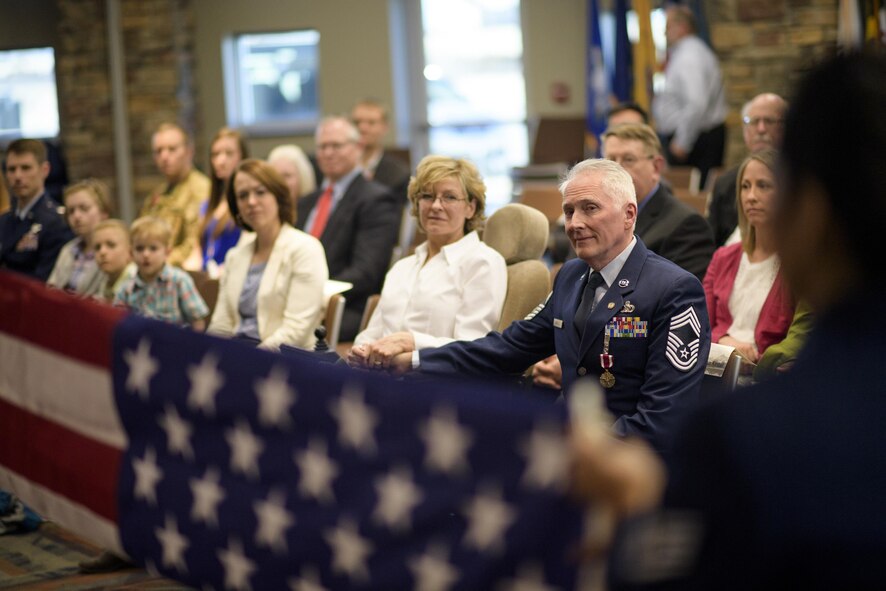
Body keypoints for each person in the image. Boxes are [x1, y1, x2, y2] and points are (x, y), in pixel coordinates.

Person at [597, 52, 886, 590]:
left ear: (810, 214)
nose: (756, 202)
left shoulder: (742, 439)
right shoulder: (727, 259)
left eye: (774, 190)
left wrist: (640, 506)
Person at [391, 158, 710, 457]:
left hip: (631, 463)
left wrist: (578, 453)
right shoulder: (571, 275)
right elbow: (506, 348)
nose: (575, 224)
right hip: (571, 447)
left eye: (590, 209)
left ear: (629, 214)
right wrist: (416, 361)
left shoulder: (673, 290)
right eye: (569, 212)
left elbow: (662, 417)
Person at [348, 155, 507, 367]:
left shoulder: (483, 263)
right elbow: (374, 332)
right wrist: (362, 350)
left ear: (471, 207)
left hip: (435, 383)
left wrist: (412, 343)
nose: (436, 206)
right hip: (378, 376)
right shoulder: (402, 267)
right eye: (427, 196)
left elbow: (473, 347)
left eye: (449, 197)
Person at [295, 116, 400, 342]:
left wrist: (310, 293)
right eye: (323, 146)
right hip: (298, 302)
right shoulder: (305, 203)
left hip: (345, 307)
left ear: (357, 148)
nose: (329, 153)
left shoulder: (376, 199)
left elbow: (365, 273)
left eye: (336, 146)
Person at [208, 159, 328, 351]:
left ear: (278, 197)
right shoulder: (234, 257)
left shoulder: (305, 249)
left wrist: (249, 362)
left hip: (284, 362)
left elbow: (295, 332)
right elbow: (220, 325)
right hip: (238, 356)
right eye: (242, 195)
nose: (251, 202)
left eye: (260, 192)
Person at [703, 149, 794, 365]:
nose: (751, 197)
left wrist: (758, 359)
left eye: (763, 185)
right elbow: (699, 324)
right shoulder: (723, 257)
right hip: (716, 366)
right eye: (745, 186)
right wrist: (724, 341)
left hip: (767, 376)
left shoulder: (798, 265)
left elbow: (799, 337)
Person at [602, 123, 714, 281]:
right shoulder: (596, 215)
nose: (617, 169)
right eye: (611, 160)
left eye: (628, 160)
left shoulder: (687, 226)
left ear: (656, 167)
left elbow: (679, 294)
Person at [652, 5, 727, 186]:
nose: (664, 32)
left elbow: (696, 103)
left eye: (668, 26)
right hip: (696, 138)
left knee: (693, 196)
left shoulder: (689, 56)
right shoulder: (687, 53)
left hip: (695, 142)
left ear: (682, 27)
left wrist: (682, 143)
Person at [708, 93, 788, 246]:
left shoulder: (803, 181)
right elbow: (711, 243)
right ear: (745, 132)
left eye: (769, 121)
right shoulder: (725, 183)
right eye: (754, 122)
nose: (761, 129)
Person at [114, 216, 209, 331]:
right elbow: (118, 323)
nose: (146, 255)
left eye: (153, 248)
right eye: (139, 248)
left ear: (167, 252)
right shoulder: (126, 288)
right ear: (131, 253)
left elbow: (197, 320)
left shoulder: (179, 281)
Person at [0, 139, 74, 280]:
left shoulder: (57, 222)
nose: (18, 176)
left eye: (26, 168)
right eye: (11, 169)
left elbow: (44, 283)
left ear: (44, 170)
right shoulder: (3, 222)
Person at [139, 122, 211, 267]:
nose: (164, 156)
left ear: (189, 151)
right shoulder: (157, 194)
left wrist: (156, 259)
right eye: (159, 151)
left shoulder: (201, 190)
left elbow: (195, 244)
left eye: (172, 149)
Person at [186, 127, 248, 275]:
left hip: (234, 275)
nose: (220, 160)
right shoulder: (207, 205)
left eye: (229, 153)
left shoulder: (248, 202)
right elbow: (198, 252)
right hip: (207, 277)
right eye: (215, 154)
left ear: (242, 156)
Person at [47, 179, 112, 295]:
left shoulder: (113, 250)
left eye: (84, 208)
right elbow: (51, 289)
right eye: (71, 211)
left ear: (104, 212)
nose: (76, 216)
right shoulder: (67, 250)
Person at [351, 98, 411, 204]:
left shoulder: (399, 173)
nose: (362, 128)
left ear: (384, 128)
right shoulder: (338, 168)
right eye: (357, 122)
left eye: (371, 123)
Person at [92, 219, 134, 302]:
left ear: (130, 252)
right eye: (97, 247)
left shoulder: (136, 284)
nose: (102, 252)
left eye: (111, 245)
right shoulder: (104, 282)